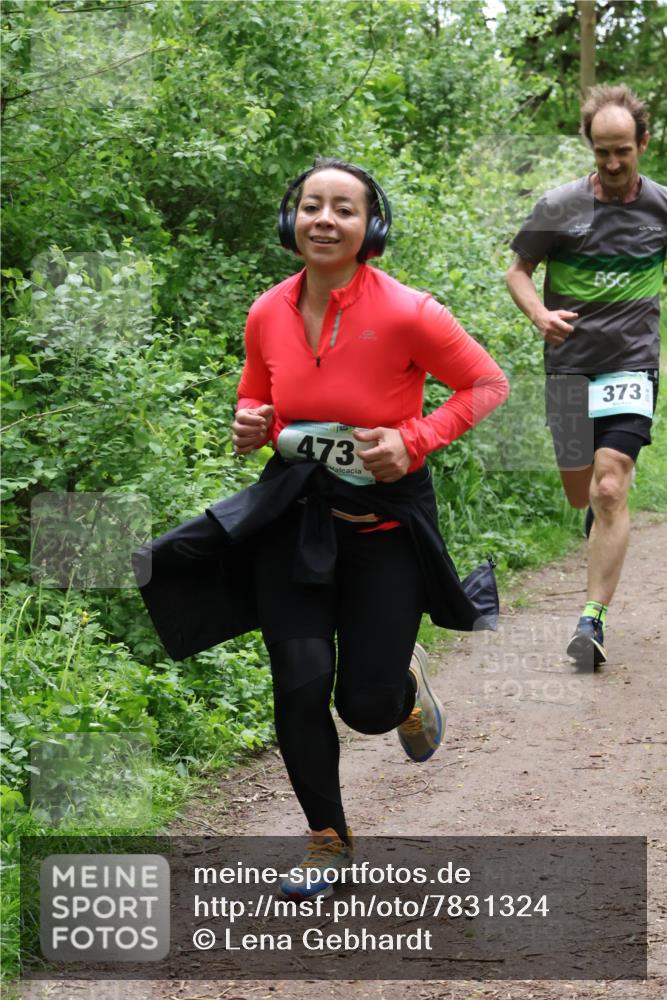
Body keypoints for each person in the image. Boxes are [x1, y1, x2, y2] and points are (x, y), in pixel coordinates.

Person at [228, 157, 509, 899]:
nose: (324, 219)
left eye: (343, 209)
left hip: (383, 529)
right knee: (298, 681)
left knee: (364, 706)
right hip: (294, 521)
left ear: (369, 228)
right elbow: (257, 402)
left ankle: (404, 689)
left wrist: (413, 439)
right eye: (311, 206)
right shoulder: (265, 312)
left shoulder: (409, 311)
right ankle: (328, 839)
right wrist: (251, 425)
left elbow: (486, 385)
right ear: (291, 221)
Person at [506, 85, 666, 669]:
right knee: (582, 491)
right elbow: (518, 271)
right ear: (590, 149)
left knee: (609, 486)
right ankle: (594, 518)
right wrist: (538, 314)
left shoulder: (662, 208)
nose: (615, 163)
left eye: (624, 150)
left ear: (643, 143)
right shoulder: (558, 206)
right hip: (570, 366)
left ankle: (590, 620)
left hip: (630, 363)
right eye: (603, 152)